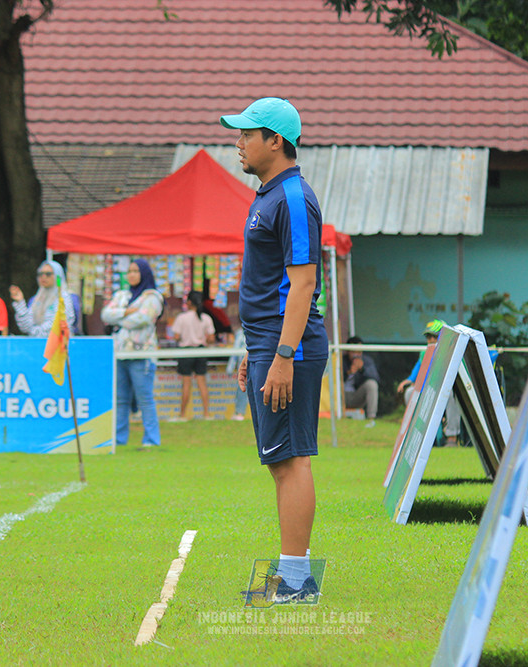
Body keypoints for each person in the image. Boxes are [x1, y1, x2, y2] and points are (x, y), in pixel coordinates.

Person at [222, 97, 328, 602]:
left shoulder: (292, 197)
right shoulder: (267, 195)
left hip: (291, 350)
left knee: (292, 461)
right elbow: (273, 287)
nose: (238, 142)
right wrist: (256, 348)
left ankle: (295, 580)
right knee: (280, 460)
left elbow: (303, 283)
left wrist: (284, 355)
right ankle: (292, 574)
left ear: (276, 141)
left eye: (247, 134)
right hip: (269, 344)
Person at [101, 258, 164, 447]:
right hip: (120, 353)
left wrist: (119, 316)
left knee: (145, 398)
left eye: (136, 271)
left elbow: (142, 319)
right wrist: (127, 312)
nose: (131, 275)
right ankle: (119, 440)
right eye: (129, 271)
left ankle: (151, 440)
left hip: (141, 354)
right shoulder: (122, 295)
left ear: (144, 273)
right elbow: (105, 315)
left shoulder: (152, 297)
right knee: (121, 399)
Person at [396, 319, 461, 445]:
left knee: (451, 394)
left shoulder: (453, 353)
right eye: (428, 337)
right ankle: (413, 436)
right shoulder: (424, 354)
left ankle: (452, 436)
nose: (431, 340)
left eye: (434, 337)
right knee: (410, 392)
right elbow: (414, 376)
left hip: (445, 389)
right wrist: (408, 381)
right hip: (429, 389)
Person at [171, 290, 216, 420]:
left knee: (186, 383)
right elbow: (211, 338)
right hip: (201, 351)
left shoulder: (181, 318)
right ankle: (206, 414)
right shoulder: (206, 318)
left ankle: (182, 414)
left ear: (189, 302)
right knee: (202, 382)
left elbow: (176, 336)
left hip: (186, 352)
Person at [8, 260, 76, 337]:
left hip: (58, 345)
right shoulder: (36, 298)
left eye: (48, 274)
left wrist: (33, 333)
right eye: (40, 274)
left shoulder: (63, 297)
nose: (43, 277)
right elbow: (26, 327)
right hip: (38, 344)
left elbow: (57, 327)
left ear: (58, 276)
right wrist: (20, 302)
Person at [342, 335, 380, 427]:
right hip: (342, 397)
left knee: (371, 384)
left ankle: (371, 419)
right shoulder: (341, 360)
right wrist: (349, 373)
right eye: (353, 351)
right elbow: (333, 380)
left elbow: (375, 378)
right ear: (347, 351)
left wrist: (362, 369)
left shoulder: (367, 361)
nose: (356, 354)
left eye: (359, 351)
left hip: (357, 396)